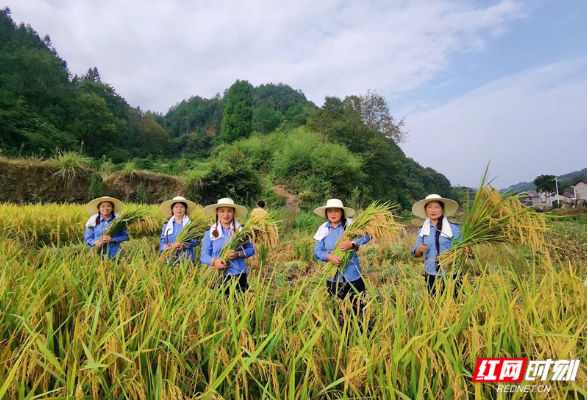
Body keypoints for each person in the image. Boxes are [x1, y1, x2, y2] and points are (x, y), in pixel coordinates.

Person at [313, 199, 370, 310]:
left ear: (342, 212)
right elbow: (317, 251)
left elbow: (368, 235)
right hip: (333, 278)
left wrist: (352, 243)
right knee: (337, 310)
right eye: (330, 211)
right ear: (326, 213)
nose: (333, 214)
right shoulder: (323, 229)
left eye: (336, 211)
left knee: (358, 309)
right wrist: (328, 257)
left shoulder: (351, 225)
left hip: (353, 275)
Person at [411, 194, 465, 298]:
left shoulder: (454, 229)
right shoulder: (422, 230)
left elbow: (464, 251)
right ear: (426, 210)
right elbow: (415, 254)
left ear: (442, 209)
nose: (433, 210)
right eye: (429, 207)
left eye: (437, 207)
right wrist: (420, 249)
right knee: (434, 305)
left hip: (451, 274)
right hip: (431, 274)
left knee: (454, 305)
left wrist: (467, 250)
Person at [200, 198, 255, 294]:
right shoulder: (210, 233)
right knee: (218, 306)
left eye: (229, 211)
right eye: (222, 211)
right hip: (216, 275)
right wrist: (214, 261)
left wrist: (238, 254)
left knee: (239, 306)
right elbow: (203, 256)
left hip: (238, 273)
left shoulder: (242, 231)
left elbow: (251, 249)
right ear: (217, 212)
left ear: (234, 212)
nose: (226, 215)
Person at [159, 196, 201, 263]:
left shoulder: (191, 224)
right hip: (170, 260)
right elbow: (162, 242)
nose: (179, 209)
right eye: (176, 207)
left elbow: (198, 241)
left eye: (182, 207)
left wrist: (185, 245)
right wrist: (167, 247)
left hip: (187, 260)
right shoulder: (167, 225)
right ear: (172, 209)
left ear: (185, 209)